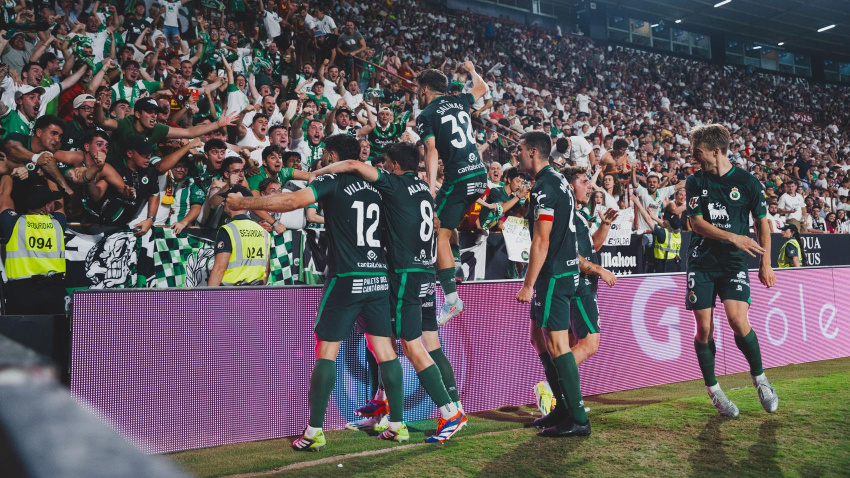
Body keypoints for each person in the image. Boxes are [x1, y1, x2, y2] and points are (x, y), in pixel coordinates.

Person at [225, 134, 408, 450]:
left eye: (325, 154)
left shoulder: (334, 180)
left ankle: (314, 432)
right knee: (386, 352)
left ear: (334, 155)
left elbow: (292, 202)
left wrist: (243, 202)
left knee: (326, 352)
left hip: (347, 277)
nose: (322, 160)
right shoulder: (380, 185)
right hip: (378, 278)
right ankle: (398, 425)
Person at [310, 142, 467, 442]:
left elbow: (356, 167)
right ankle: (383, 408)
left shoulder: (393, 184)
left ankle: (450, 412)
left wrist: (318, 173)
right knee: (385, 342)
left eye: (384, 163)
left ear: (394, 165)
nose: (380, 167)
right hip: (423, 272)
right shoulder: (424, 189)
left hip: (404, 274)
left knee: (409, 346)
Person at [515, 132, 604, 438]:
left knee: (556, 345)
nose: (517, 156)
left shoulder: (544, 187)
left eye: (520, 151)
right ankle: (565, 409)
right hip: (564, 271)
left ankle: (578, 417)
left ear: (534, 152)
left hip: (553, 273)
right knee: (541, 339)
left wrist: (528, 285)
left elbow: (541, 240)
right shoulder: (556, 180)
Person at [684, 124, 777, 418]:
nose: (693, 157)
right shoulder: (695, 182)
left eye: (697, 152)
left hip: (734, 263)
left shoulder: (748, 183)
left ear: (715, 151)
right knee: (704, 329)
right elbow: (696, 224)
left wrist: (765, 261)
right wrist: (735, 237)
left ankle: (760, 380)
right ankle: (714, 390)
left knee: (738, 320)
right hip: (702, 263)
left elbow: (762, 222)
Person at [532, 165, 617, 429]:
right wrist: (600, 269)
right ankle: (553, 390)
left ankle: (564, 404)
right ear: (569, 185)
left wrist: (603, 226)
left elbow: (593, 246)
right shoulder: (565, 212)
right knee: (588, 344)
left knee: (558, 343)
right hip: (578, 286)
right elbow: (574, 258)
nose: (590, 186)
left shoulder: (577, 215)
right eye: (584, 181)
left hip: (571, 283)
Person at [417, 61, 488, 325]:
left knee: (439, 232)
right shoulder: (460, 100)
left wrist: (429, 189)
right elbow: (482, 87)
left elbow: (432, 152)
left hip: (459, 178)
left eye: (417, 89)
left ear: (424, 89)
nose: (416, 94)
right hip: (479, 176)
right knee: (449, 219)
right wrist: (472, 69)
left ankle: (451, 300)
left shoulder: (426, 115)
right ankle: (455, 264)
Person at [0, 183, 67, 315]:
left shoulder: (14, 223)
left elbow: (4, 200)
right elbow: (61, 205)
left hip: (21, 293)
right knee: (56, 334)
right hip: (52, 291)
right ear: (47, 206)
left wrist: (7, 174)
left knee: (18, 335)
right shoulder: (58, 223)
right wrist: (48, 174)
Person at [207, 185, 270, 286]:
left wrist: (208, 299)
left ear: (234, 202)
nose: (223, 203)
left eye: (226, 199)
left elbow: (219, 269)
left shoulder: (228, 230)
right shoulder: (263, 232)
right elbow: (266, 271)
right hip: (256, 293)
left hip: (232, 294)